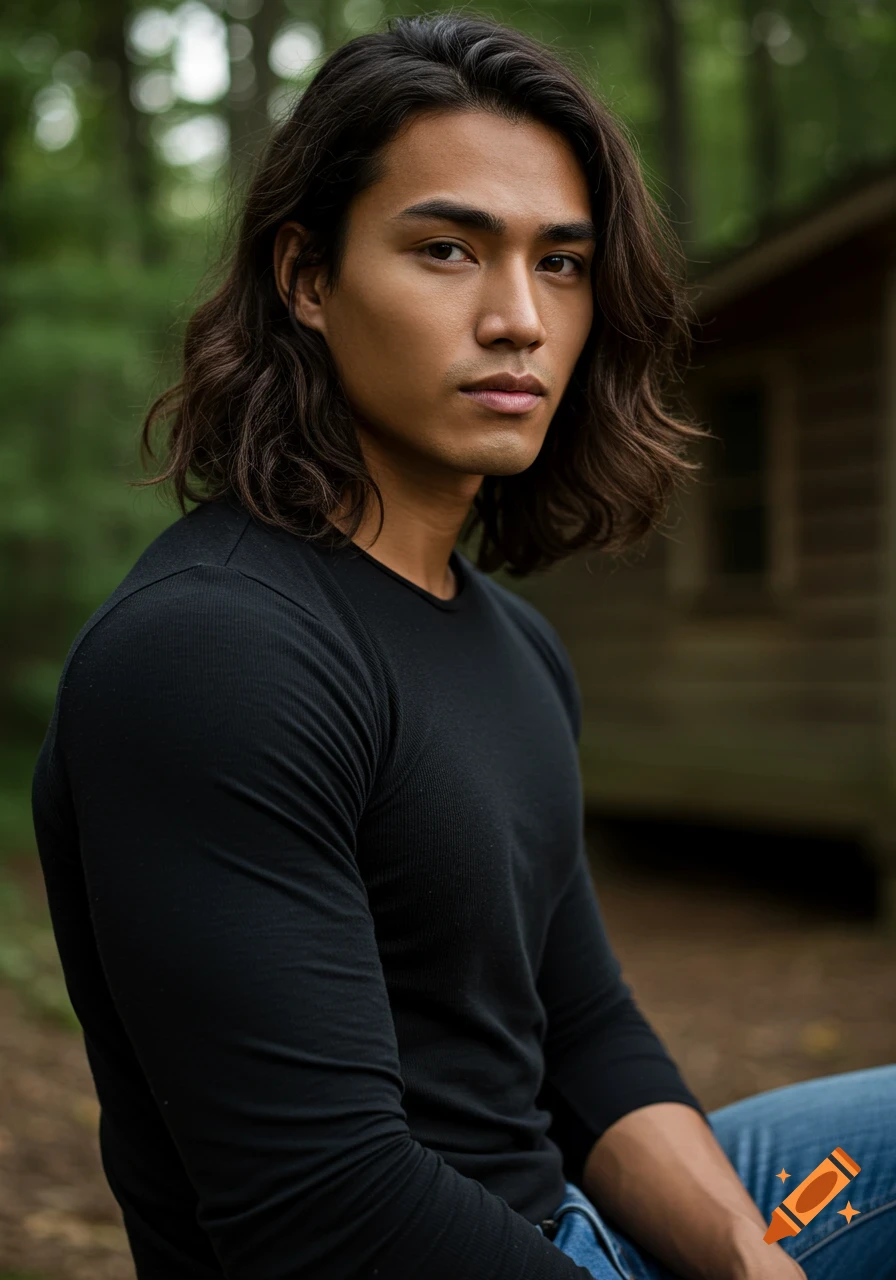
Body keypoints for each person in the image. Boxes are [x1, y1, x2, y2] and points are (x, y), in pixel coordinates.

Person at [31, 12, 895, 1280]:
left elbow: (583, 1029)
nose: (517, 320)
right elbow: (323, 1209)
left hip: (573, 1224)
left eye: (559, 264)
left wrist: (742, 1254)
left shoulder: (515, 644)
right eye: (446, 249)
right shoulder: (213, 655)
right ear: (306, 278)